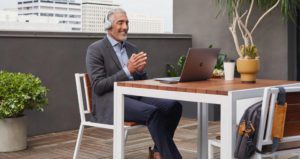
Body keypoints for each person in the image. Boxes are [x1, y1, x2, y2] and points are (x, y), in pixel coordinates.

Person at [86, 8, 182, 159]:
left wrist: (140, 72)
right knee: (153, 113)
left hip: (135, 96)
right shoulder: (96, 49)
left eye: (127, 22)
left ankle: (158, 152)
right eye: (120, 23)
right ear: (108, 26)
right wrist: (127, 70)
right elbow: (98, 86)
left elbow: (141, 82)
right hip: (112, 101)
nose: (125, 27)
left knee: (174, 106)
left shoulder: (132, 48)